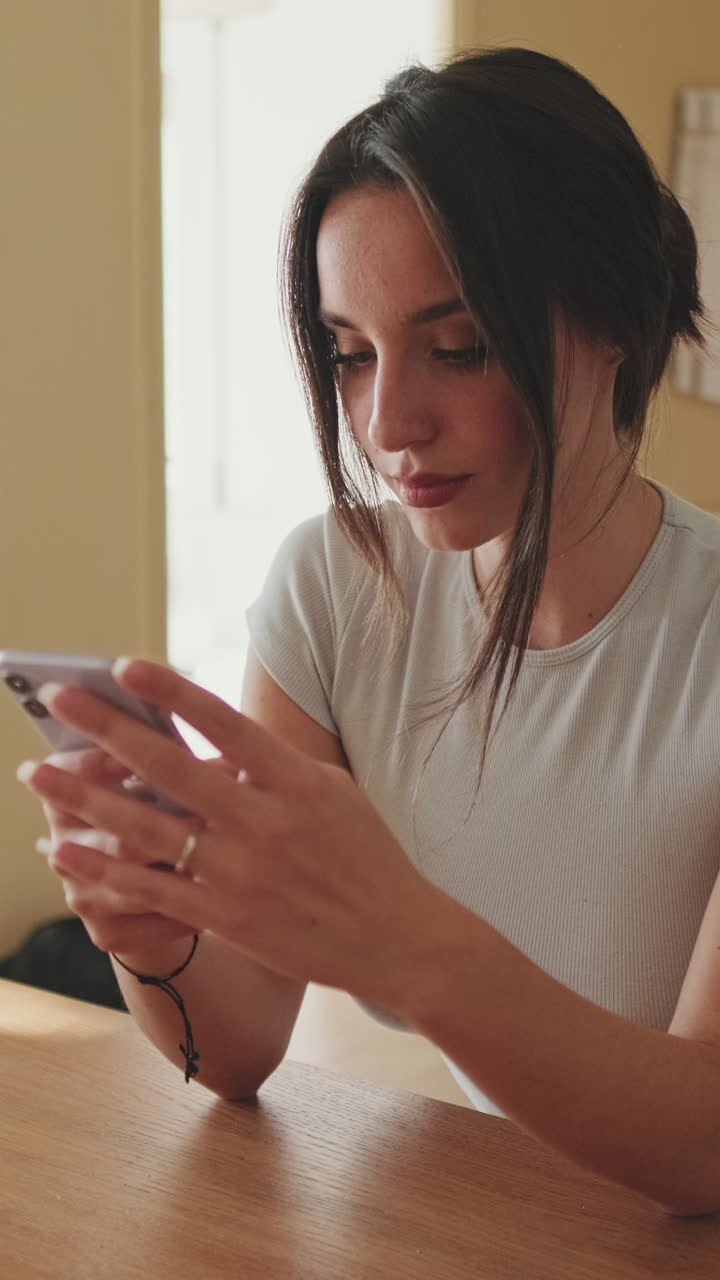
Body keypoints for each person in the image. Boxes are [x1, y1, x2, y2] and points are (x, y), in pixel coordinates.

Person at [16, 46, 720, 1216]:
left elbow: (708, 1142)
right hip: (497, 1225)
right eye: (349, 354)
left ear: (617, 326)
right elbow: (235, 1050)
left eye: (460, 347)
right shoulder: (336, 584)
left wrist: (405, 941)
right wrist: (152, 926)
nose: (388, 421)